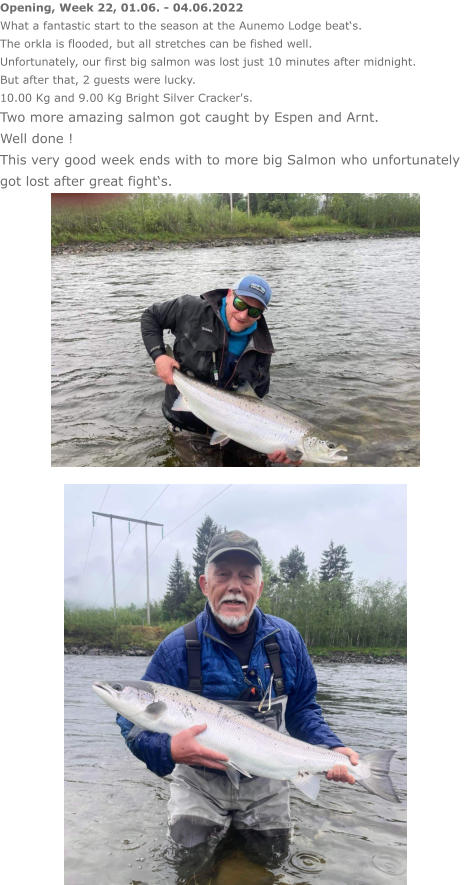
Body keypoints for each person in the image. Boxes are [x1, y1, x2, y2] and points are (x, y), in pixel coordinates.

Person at [117, 530, 358, 868]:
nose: (235, 586)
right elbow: (130, 723)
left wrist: (331, 748)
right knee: (189, 865)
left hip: (268, 779)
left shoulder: (286, 640)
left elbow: (303, 710)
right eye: (223, 575)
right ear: (205, 584)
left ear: (259, 587)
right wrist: (168, 751)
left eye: (246, 577)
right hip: (198, 783)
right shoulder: (176, 647)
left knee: (269, 864)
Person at [141, 274, 298, 465]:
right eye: (240, 305)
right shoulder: (191, 308)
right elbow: (151, 316)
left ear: (262, 313)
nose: (243, 315)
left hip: (235, 429)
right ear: (230, 294)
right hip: (190, 424)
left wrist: (273, 448)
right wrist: (159, 356)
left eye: (254, 312)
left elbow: (256, 399)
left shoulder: (262, 348)